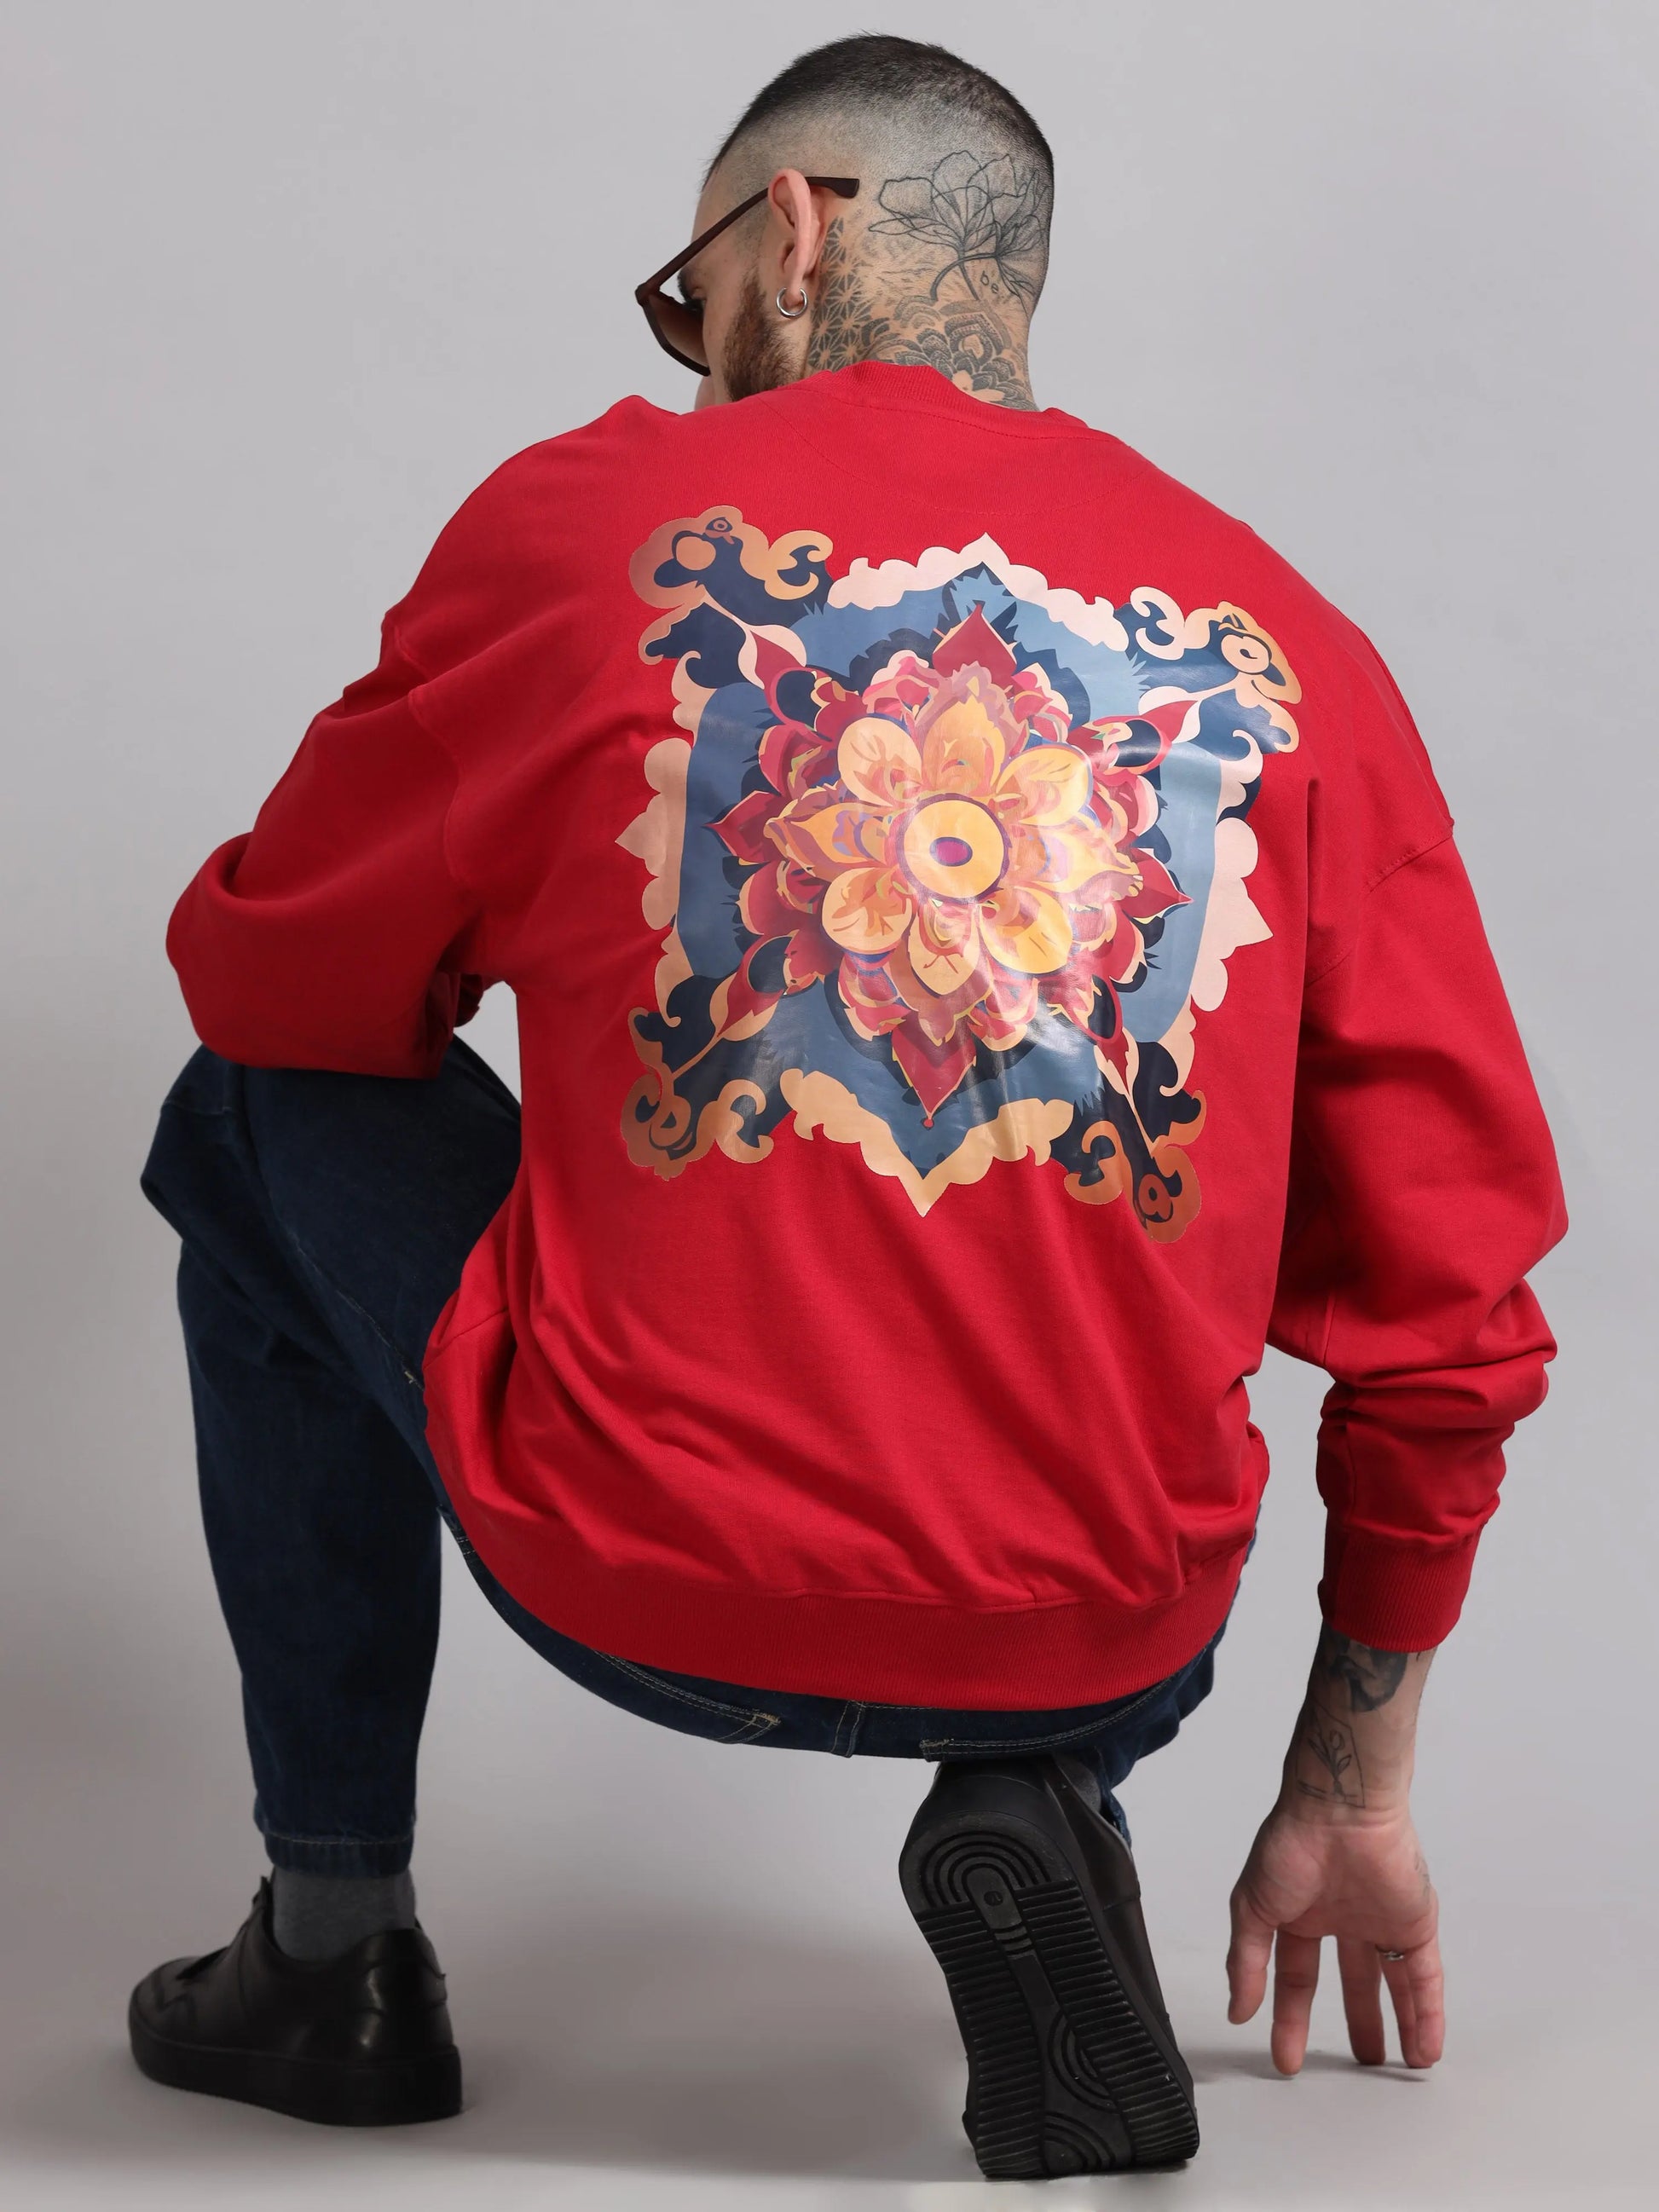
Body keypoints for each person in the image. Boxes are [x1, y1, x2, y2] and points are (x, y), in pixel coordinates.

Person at [129, 33, 1565, 2181]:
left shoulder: (595, 527)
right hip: (1117, 1619)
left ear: (790, 231)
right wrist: (1351, 1785)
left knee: (244, 1107)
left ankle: (332, 1951)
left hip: (644, 1569)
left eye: (693, 301)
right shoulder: (1293, 650)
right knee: (1080, 1427)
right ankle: (1048, 1779)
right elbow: (1452, 1307)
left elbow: (273, 984)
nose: (695, 356)